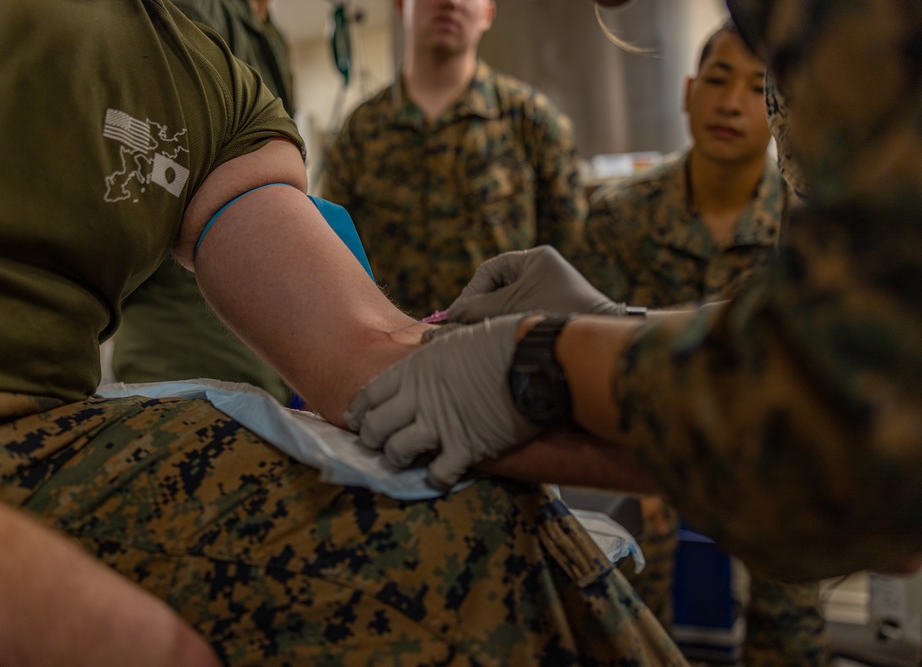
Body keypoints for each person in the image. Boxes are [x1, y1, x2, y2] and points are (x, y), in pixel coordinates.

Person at [0, 1, 685, 665]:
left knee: (476, 526)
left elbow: (368, 354)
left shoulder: (203, 80)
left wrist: (575, 356)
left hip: (42, 440)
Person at [346, 0, 922, 586]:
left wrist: (551, 360)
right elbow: (832, 329)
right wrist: (618, 324)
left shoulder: (855, 22)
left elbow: (858, 435)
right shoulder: (800, 43)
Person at [582, 21, 825, 666]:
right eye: (717, 80)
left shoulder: (808, 225)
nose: (733, 103)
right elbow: (597, 349)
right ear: (688, 92)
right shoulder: (619, 217)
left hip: (775, 459)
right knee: (624, 616)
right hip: (647, 458)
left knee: (792, 614)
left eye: (756, 87)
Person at [321, 0, 587, 318]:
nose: (450, 2)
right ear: (400, 5)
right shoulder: (359, 133)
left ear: (488, 12)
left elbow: (569, 262)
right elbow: (332, 257)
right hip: (393, 355)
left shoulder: (532, 122)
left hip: (503, 351)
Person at [111, 0, 296, 402]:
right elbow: (171, 157)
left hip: (263, 334)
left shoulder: (268, 35)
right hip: (183, 335)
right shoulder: (193, 9)